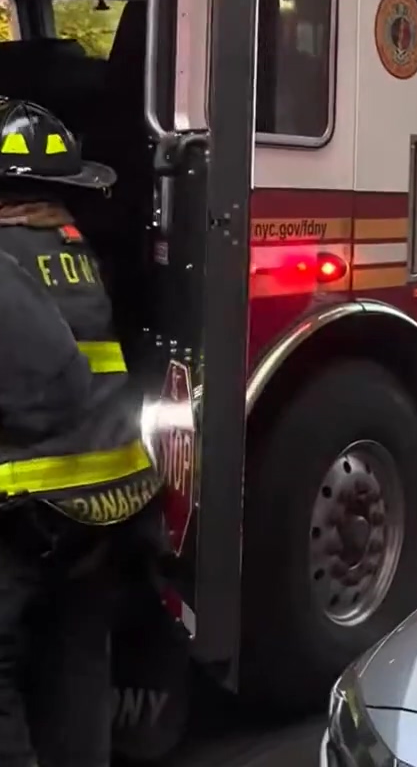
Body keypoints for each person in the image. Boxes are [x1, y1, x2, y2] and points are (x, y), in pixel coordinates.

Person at [0, 98, 160, 767]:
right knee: (76, 660)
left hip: (30, 502)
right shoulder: (69, 249)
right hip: (108, 498)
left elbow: (53, 382)